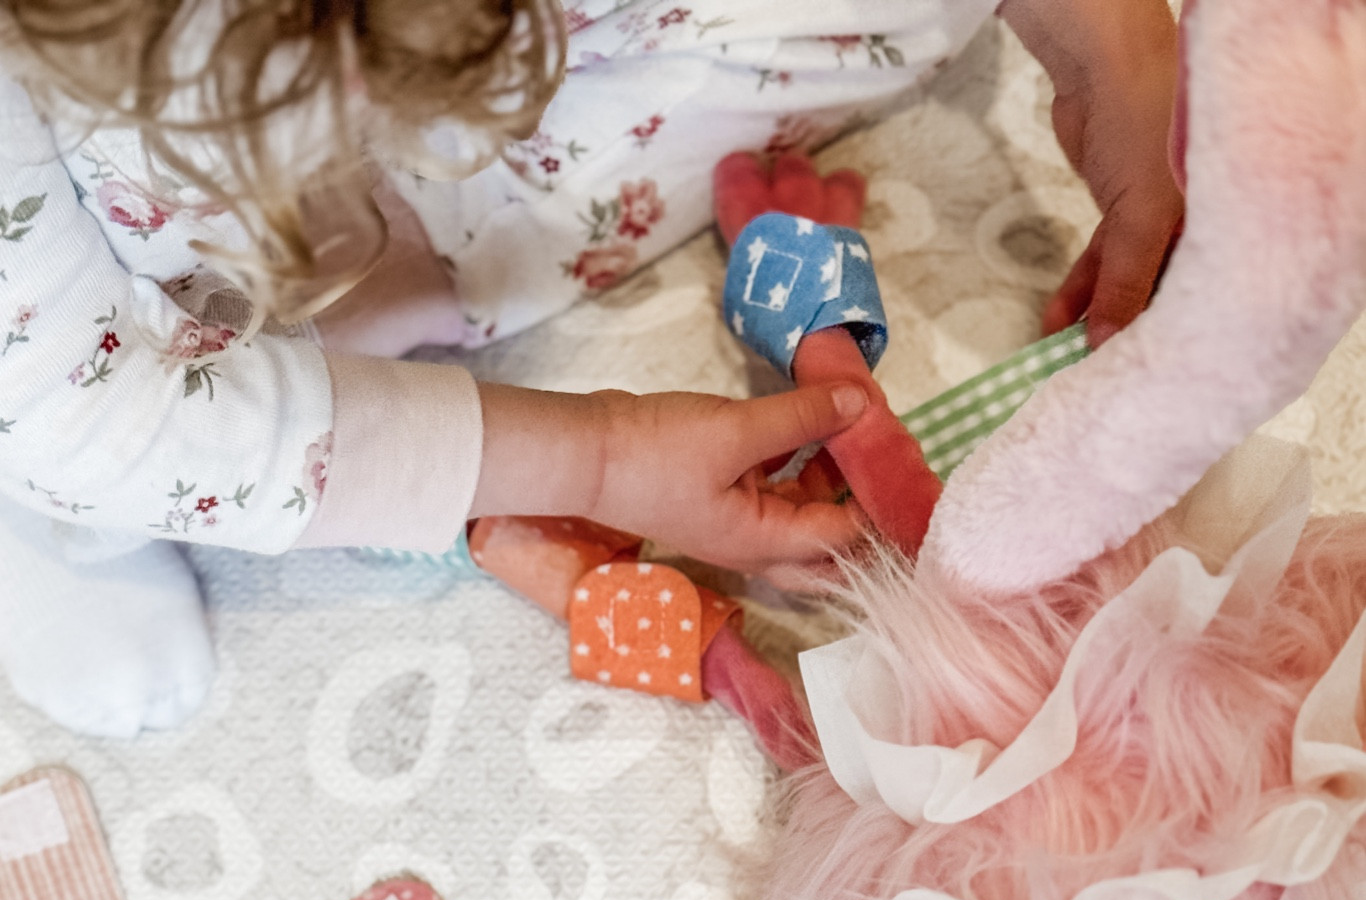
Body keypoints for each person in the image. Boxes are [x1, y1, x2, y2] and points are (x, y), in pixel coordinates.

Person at [0, 0, 1182, 736]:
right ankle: (49, 523)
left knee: (922, 14)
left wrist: (1106, 50)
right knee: (186, 401)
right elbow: (83, 403)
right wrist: (598, 453)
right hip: (111, 242)